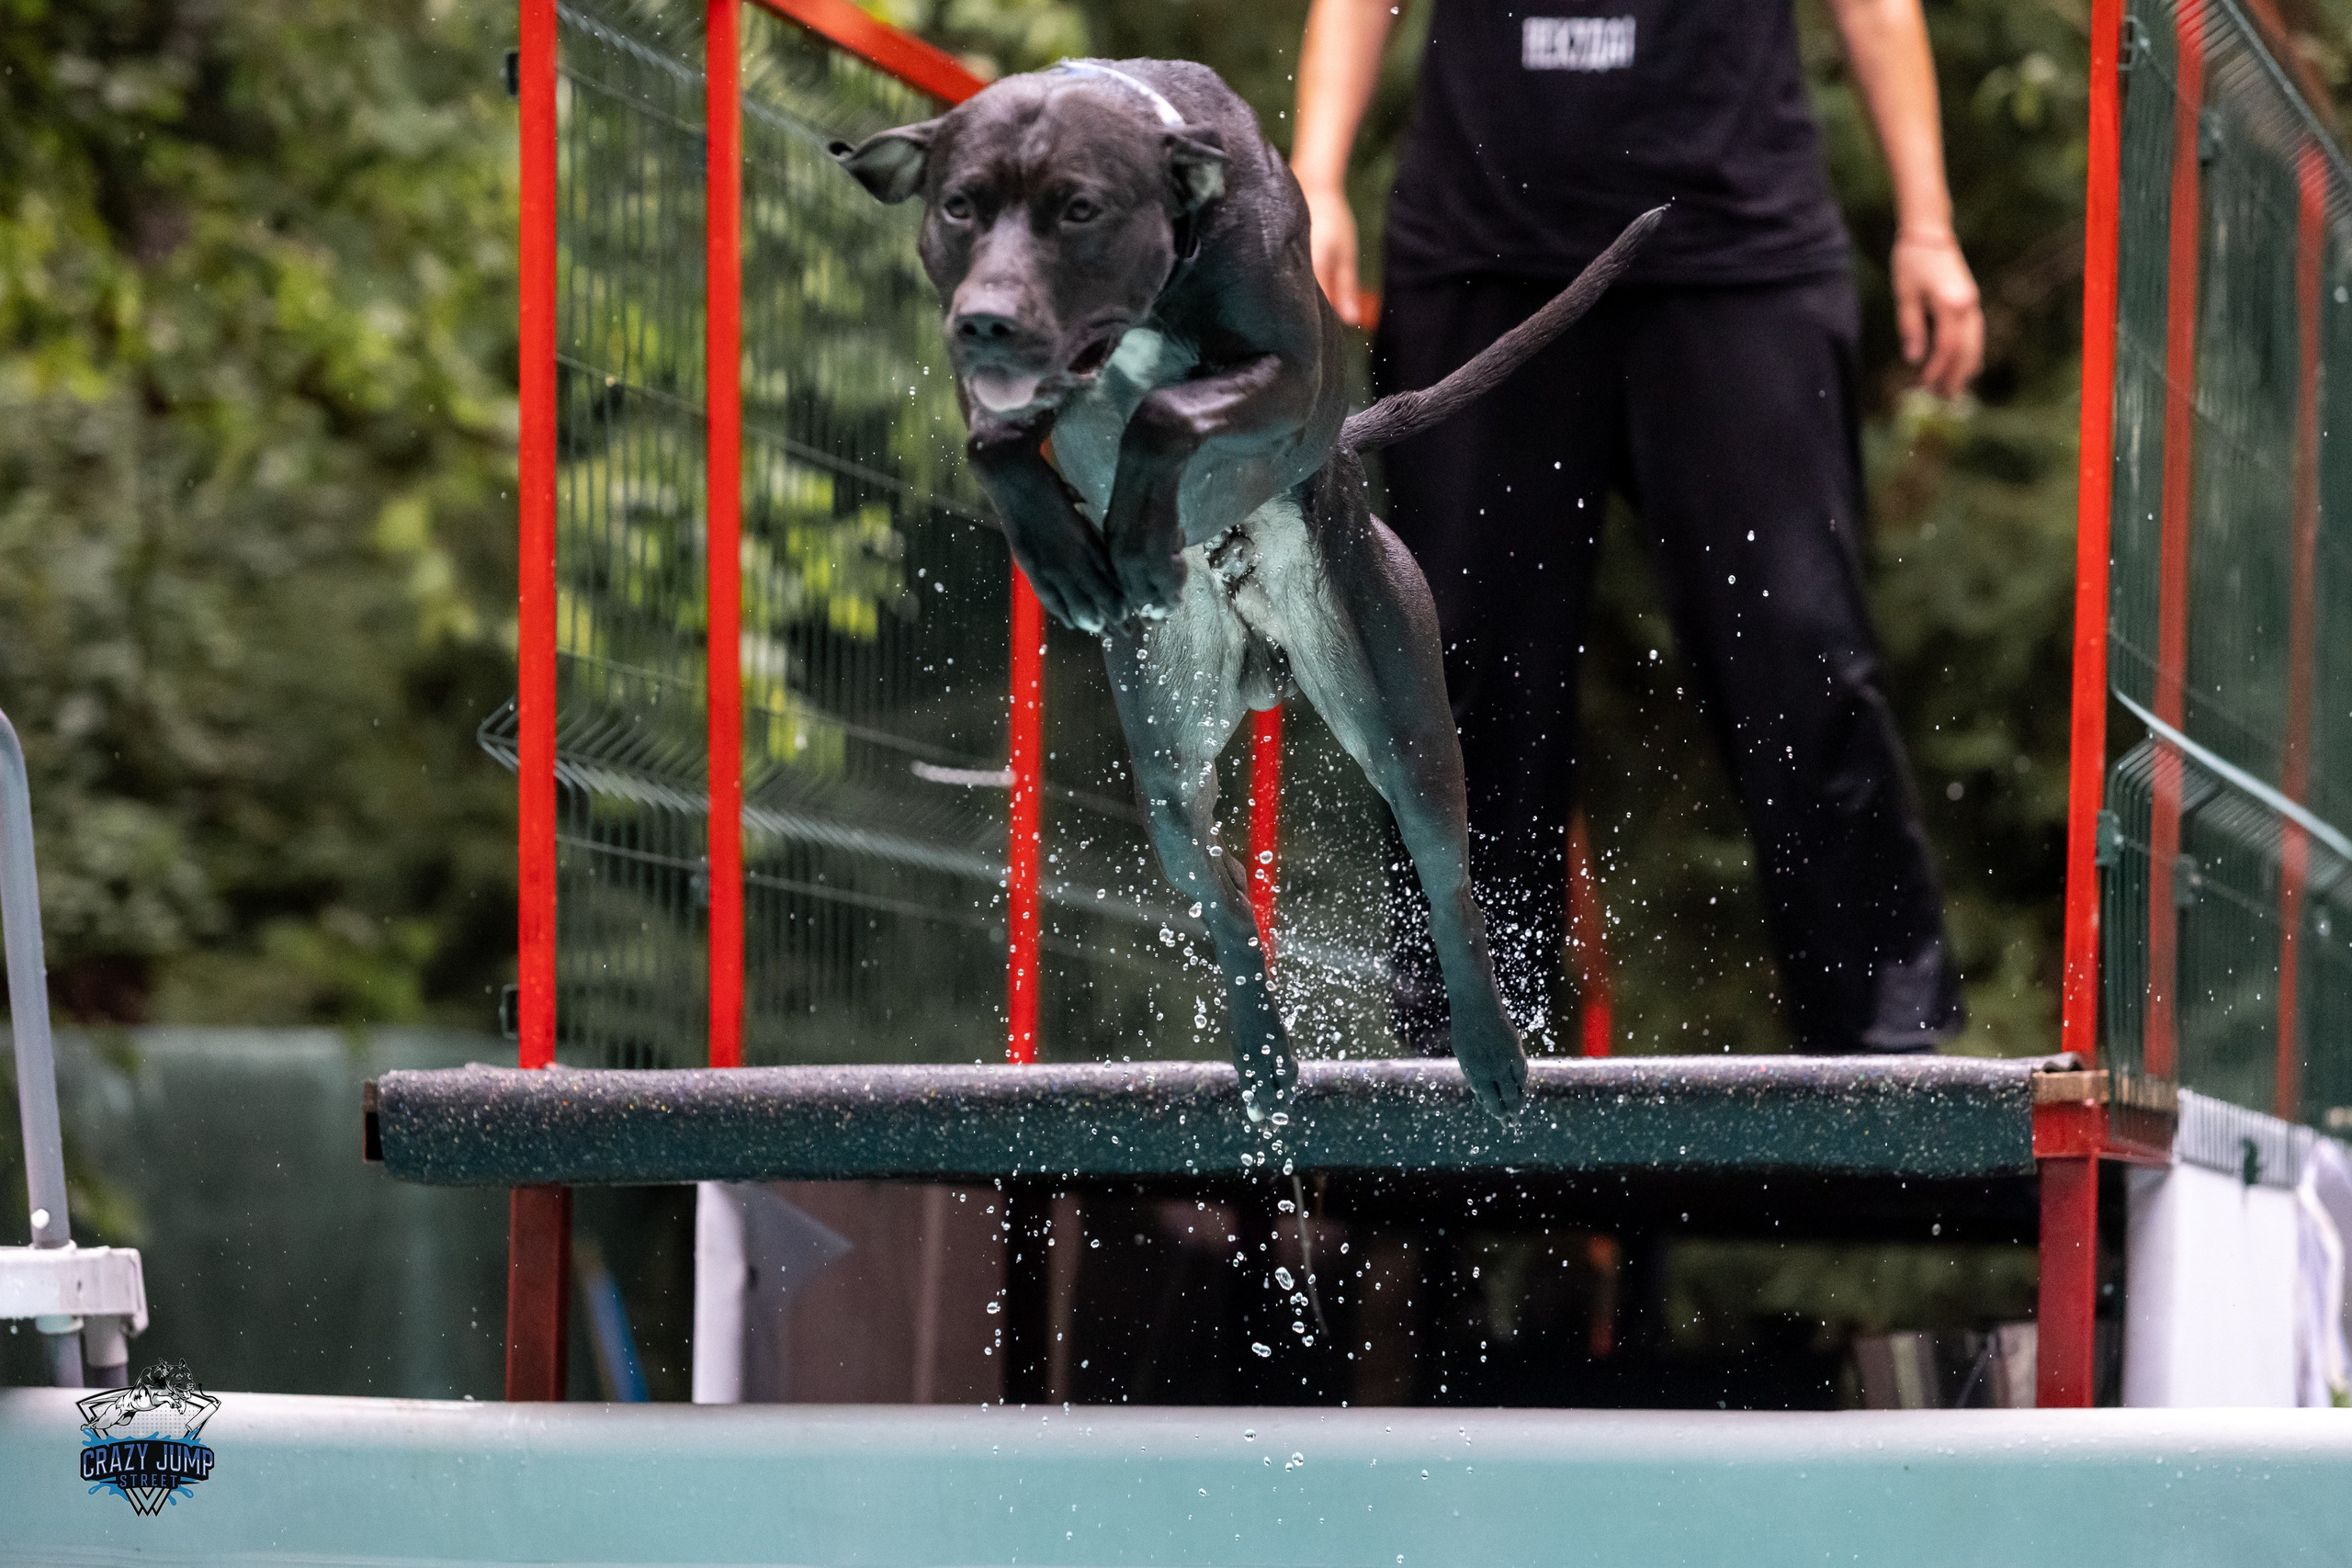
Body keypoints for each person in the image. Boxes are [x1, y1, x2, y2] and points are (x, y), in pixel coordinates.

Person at [1289, 0, 1983, 1054]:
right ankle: (1466, 1040)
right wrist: (1317, 175)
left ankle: (1884, 1044)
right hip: (1486, 248)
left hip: (1735, 247)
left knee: (1801, 648)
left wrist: (1927, 225)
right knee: (1461, 659)